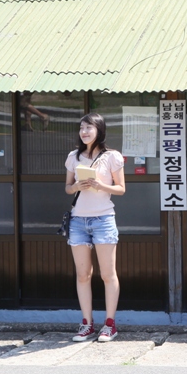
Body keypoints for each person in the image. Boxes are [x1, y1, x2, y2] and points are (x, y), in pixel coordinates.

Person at [65, 113, 126, 342]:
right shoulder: (74, 156)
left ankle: (109, 324)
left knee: (108, 275)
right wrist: (77, 186)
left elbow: (121, 189)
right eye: (81, 128)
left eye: (89, 127)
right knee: (83, 275)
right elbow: (68, 188)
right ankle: (86, 324)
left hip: (103, 220)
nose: (84, 132)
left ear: (99, 129)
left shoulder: (111, 157)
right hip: (78, 220)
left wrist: (100, 185)